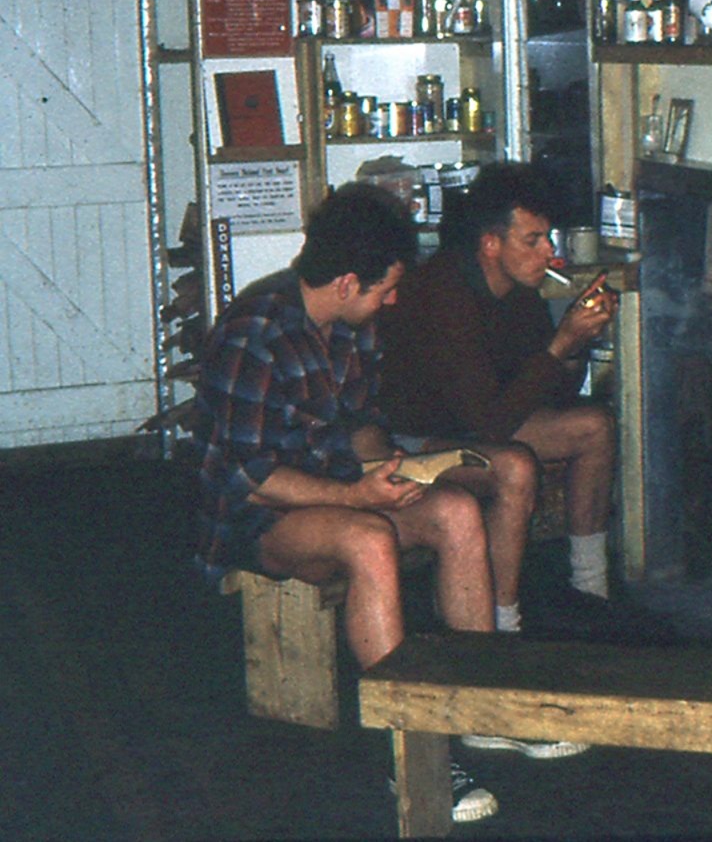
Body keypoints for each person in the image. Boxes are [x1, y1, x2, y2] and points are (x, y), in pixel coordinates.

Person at [191, 182, 569, 823]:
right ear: (345, 282)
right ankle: (412, 751)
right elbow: (250, 476)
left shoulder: (349, 328)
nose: (393, 299)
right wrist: (355, 493)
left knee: (453, 510)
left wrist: (389, 466)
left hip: (333, 487)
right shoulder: (254, 332)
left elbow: (362, 424)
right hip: (257, 517)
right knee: (367, 538)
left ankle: (477, 707)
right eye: (385, 288)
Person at [377, 162, 619, 611]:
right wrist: (562, 342)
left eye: (547, 238)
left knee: (594, 426)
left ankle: (592, 588)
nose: (548, 252)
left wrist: (578, 342)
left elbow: (542, 398)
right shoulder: (443, 294)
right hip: (411, 443)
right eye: (532, 240)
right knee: (512, 467)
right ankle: (502, 621)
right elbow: (489, 423)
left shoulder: (518, 288)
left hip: (474, 426)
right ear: (490, 243)